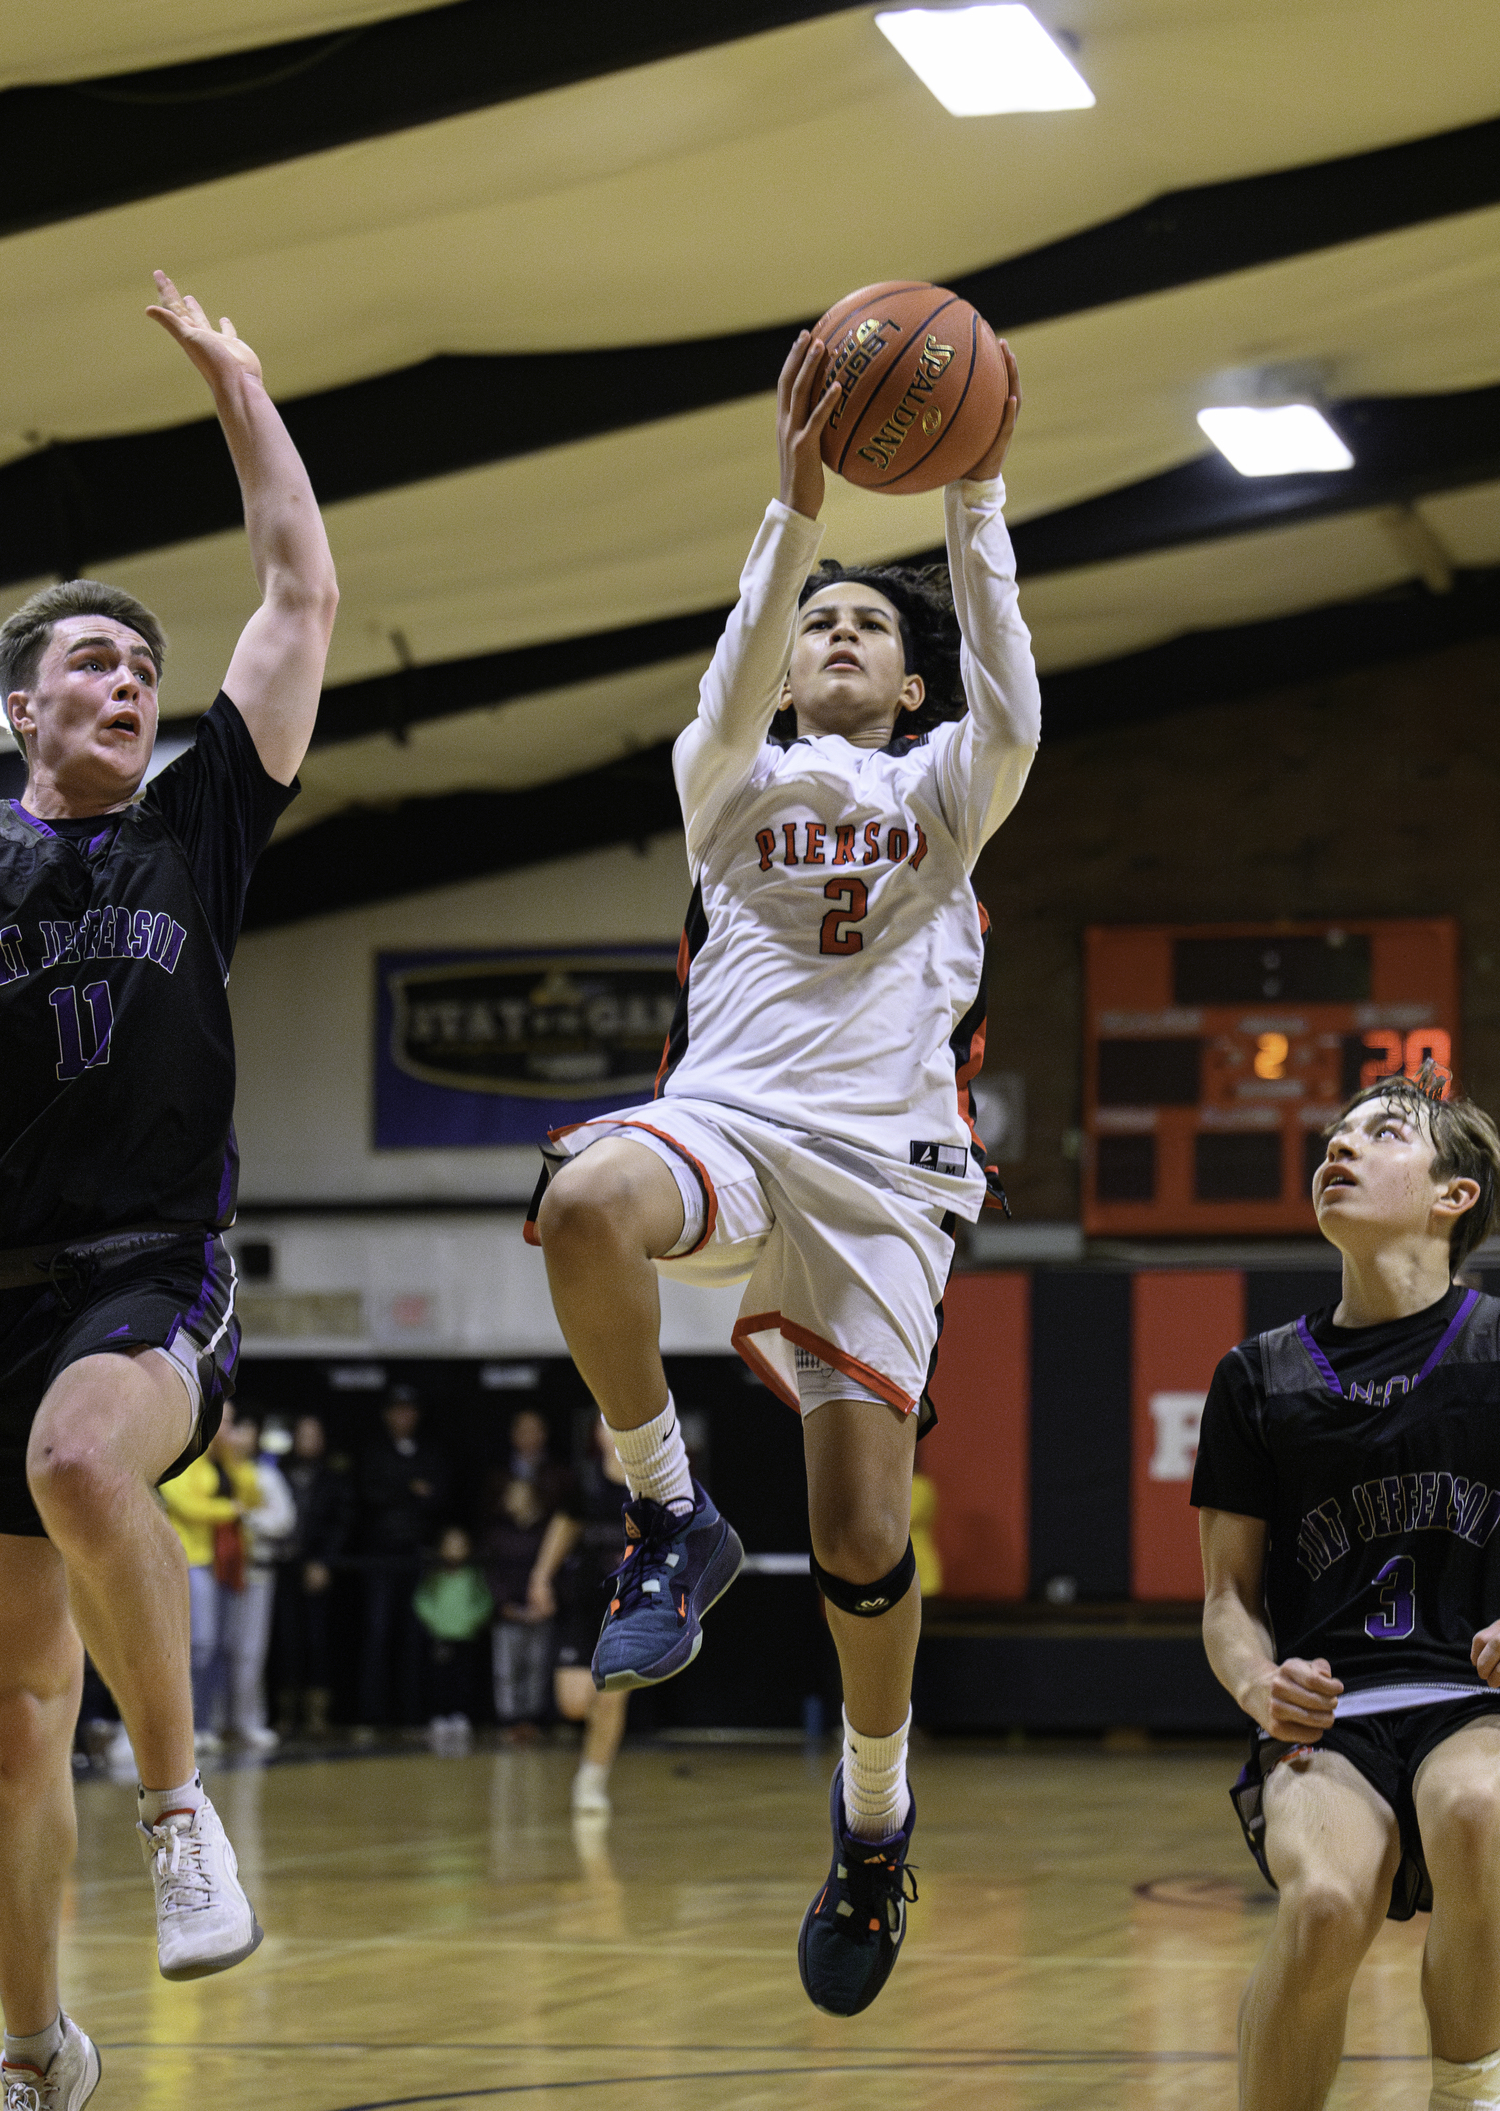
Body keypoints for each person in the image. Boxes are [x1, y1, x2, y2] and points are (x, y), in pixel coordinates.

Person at [528, 327, 1038, 2011]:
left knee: (858, 1538)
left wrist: (975, 497)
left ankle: (874, 1820)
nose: (832, 632)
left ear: (908, 684)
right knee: (585, 1199)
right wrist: (794, 515)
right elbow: (739, 653)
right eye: (821, 616)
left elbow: (1014, 699)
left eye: (865, 628)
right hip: (734, 1118)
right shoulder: (723, 774)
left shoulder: (950, 793)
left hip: (888, 1180)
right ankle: (666, 1508)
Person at [0, 267, 337, 2099]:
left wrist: (238, 387)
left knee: (75, 1456)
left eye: (143, 665)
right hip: (1, 1285)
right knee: (11, 1718)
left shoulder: (195, 824)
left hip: (148, 1272)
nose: (129, 680)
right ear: (18, 717)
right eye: (91, 667)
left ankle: (186, 1811)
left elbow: (298, 593)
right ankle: (37, 2045)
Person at [1194, 1065, 1500, 2111]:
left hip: (1476, 1696)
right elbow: (1227, 1601)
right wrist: (1256, 1687)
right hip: (1336, 1712)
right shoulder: (1260, 1375)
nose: (1341, 1145)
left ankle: (1468, 2094)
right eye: (1333, 1134)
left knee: (1475, 1808)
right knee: (1324, 1904)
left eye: (1381, 1132)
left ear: (1454, 1193)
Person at [527, 1415, 633, 1813]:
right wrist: (541, 1576)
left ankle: (592, 1779)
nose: (613, 1431)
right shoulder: (585, 1483)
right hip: (584, 1605)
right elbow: (564, 1527)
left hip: (628, 1608)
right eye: (606, 1425)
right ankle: (598, 1742)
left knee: (612, 1696)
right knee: (573, 1703)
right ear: (597, 1434)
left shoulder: (652, 1483)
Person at [159, 1400, 260, 1753]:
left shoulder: (225, 1463)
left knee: (220, 1647)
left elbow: (252, 1494)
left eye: (232, 1421)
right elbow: (187, 1505)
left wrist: (233, 1456)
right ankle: (188, 1726)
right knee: (199, 1645)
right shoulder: (183, 1456)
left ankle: (207, 1723)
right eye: (224, 1419)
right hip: (194, 1559)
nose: (227, 1428)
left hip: (225, 1563)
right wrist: (229, 1510)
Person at [356, 1385, 450, 1731]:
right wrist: (410, 1487)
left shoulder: (429, 1452)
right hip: (380, 1558)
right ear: (386, 1414)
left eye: (410, 1410)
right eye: (398, 1410)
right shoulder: (374, 1451)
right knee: (377, 1635)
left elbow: (438, 1494)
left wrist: (405, 1490)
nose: (404, 1417)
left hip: (416, 1556)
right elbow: (371, 1493)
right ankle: (371, 1715)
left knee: (416, 1634)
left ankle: (413, 1714)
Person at [219, 1408, 296, 1750]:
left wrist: (247, 1518)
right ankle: (213, 1722)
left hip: (257, 1572)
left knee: (250, 1652)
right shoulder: (216, 1473)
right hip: (218, 1571)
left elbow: (284, 1521)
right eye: (235, 1428)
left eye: (245, 1429)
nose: (239, 1437)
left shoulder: (265, 1476)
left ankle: (249, 1722)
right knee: (217, 1649)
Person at [274, 1412, 354, 1736]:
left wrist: (324, 1561)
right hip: (283, 1567)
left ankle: (317, 1715)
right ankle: (285, 1714)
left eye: (315, 1435)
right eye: (303, 1434)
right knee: (285, 1641)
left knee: (318, 1640)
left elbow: (342, 1521)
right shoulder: (277, 1471)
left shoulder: (333, 1476)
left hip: (317, 1567)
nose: (309, 1441)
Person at [480, 1469, 555, 1734]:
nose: (511, 1499)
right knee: (507, 1669)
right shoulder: (497, 1532)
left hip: (540, 1609)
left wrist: (544, 1603)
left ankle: (531, 1721)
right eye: (509, 1494)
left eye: (518, 1493)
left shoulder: (548, 1532)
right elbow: (490, 1573)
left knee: (537, 1668)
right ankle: (508, 1721)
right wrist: (505, 1605)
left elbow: (556, 1568)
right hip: (507, 1612)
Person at [413, 1526, 494, 1748]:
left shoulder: (474, 1575)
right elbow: (421, 1600)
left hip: (466, 1636)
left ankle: (461, 1714)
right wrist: (435, 1620)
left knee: (464, 1678)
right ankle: (440, 1714)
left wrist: (473, 1619)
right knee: (440, 1678)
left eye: (460, 1545)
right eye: (450, 1545)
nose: (455, 1550)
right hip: (441, 1635)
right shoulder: (434, 1575)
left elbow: (485, 1601)